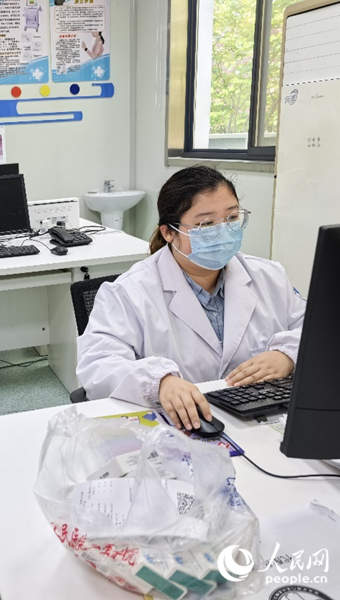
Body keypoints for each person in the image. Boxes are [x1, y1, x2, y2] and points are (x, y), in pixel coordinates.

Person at [76, 166, 305, 432]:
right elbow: (98, 365)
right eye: (206, 224)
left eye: (232, 218)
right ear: (169, 233)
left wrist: (287, 355)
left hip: (263, 424)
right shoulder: (128, 292)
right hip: (176, 429)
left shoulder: (269, 276)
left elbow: (318, 330)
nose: (223, 231)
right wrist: (159, 382)